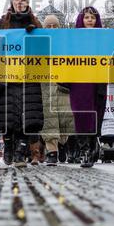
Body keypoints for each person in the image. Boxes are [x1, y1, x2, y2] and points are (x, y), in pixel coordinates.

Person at [0, 0, 44, 168]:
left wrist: (34, 33)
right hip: (7, 77)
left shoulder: (36, 23)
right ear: (12, 2)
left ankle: (20, 152)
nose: (20, 2)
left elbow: (44, 49)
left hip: (28, 77)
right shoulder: (1, 23)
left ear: (28, 3)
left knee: (27, 115)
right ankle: (8, 146)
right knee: (8, 114)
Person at [68, 6, 107, 168]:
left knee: (95, 113)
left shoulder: (103, 38)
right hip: (79, 82)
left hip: (97, 81)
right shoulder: (73, 39)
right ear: (81, 20)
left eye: (92, 17)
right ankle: (84, 150)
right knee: (81, 114)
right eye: (86, 17)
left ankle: (92, 147)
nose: (89, 20)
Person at [38, 14, 76, 165]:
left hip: (63, 86)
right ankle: (52, 151)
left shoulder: (67, 44)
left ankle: (62, 143)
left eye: (55, 26)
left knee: (66, 118)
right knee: (49, 119)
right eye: (49, 26)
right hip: (46, 85)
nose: (52, 29)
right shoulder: (39, 44)